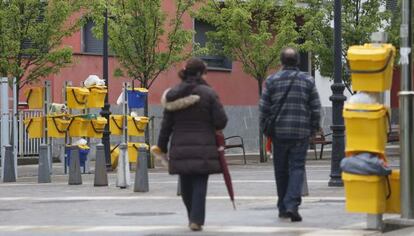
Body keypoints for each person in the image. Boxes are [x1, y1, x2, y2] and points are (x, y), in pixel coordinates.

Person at [154, 58, 228, 231]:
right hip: (204, 146)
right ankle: (196, 219)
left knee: (186, 184)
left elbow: (166, 125)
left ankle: (192, 217)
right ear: (202, 73)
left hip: (180, 146)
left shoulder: (173, 94)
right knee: (200, 183)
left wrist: (161, 147)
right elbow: (221, 120)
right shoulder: (209, 94)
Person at [259, 47, 321, 222]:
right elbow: (315, 107)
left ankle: (282, 207)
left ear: (281, 61)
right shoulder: (307, 81)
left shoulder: (272, 81)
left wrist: (266, 129)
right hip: (301, 132)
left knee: (280, 170)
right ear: (298, 62)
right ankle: (292, 204)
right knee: (297, 168)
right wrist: (313, 128)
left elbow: (263, 108)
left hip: (279, 133)